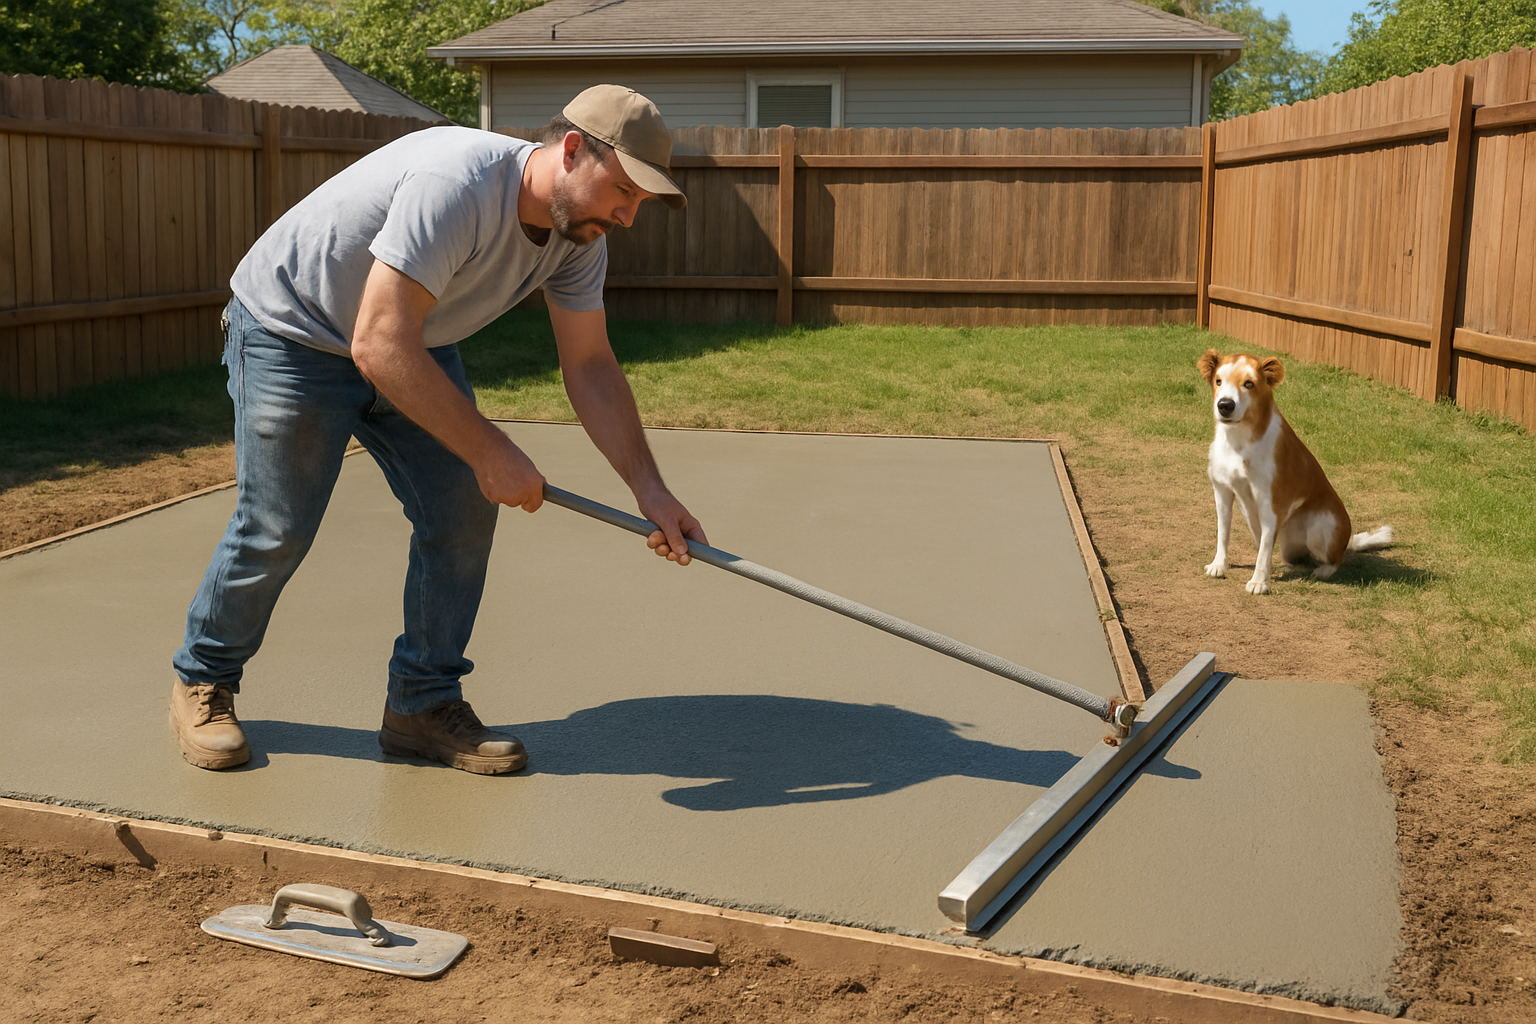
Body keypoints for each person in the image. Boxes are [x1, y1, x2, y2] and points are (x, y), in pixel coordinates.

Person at [168, 85, 705, 776]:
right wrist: (491, 449)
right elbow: (378, 345)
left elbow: (592, 366)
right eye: (624, 190)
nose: (629, 215)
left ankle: (421, 704)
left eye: (640, 202)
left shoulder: (578, 237)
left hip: (409, 336)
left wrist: (651, 491)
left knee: (460, 505)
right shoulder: (457, 183)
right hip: (293, 329)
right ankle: (202, 677)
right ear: (572, 149)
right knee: (278, 524)